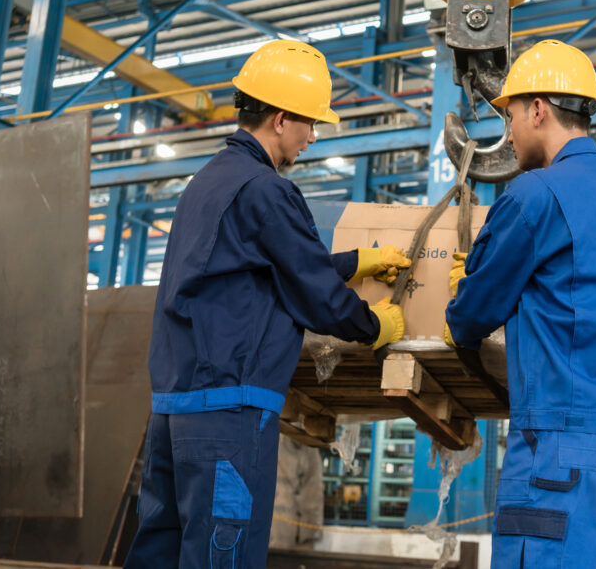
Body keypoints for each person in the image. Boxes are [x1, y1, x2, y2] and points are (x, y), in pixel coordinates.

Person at [124, 39, 409, 568]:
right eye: (309, 124)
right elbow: (316, 298)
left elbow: (257, 265)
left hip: (172, 410)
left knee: (159, 551)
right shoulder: (267, 189)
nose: (312, 137)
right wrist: (375, 327)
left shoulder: (207, 183)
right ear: (280, 119)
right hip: (228, 414)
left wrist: (355, 262)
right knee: (221, 556)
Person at [444, 40, 596, 568]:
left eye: (511, 116)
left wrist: (462, 285)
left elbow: (470, 319)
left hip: (562, 452)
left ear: (538, 109)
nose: (509, 134)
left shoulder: (533, 195)